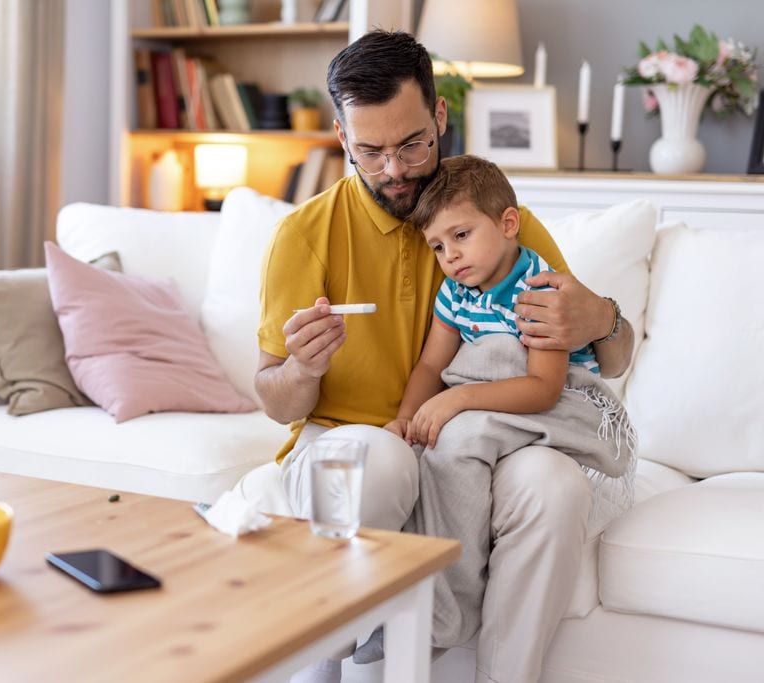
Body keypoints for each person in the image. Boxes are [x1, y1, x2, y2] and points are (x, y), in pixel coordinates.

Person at [254, 30, 634, 683]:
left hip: (476, 436)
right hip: (354, 439)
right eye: (369, 152)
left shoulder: (490, 219)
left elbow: (614, 359)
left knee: (555, 484)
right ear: (342, 138)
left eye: (411, 144)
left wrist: (601, 316)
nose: (394, 170)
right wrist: (300, 369)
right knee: (384, 461)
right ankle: (324, 646)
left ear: (440, 117)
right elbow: (272, 398)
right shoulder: (304, 234)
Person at [381, 153, 635, 664]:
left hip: (553, 400)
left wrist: (458, 400)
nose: (449, 255)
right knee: (434, 450)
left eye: (461, 235)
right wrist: (407, 420)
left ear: (508, 223)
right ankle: (419, 600)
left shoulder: (538, 290)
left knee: (458, 439)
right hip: (492, 399)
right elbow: (432, 366)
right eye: (437, 245)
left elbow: (543, 388)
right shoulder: (454, 292)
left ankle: (451, 607)